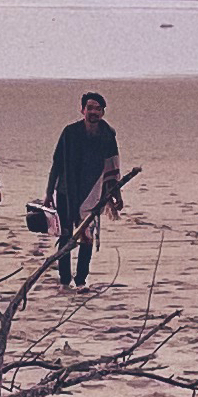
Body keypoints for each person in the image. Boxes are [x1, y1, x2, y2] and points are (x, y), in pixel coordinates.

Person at [44, 90, 121, 288]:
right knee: (66, 236)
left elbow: (112, 167)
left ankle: (81, 280)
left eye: (98, 109)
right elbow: (57, 163)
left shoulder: (107, 135)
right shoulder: (70, 133)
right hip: (66, 192)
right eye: (90, 108)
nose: (93, 112)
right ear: (82, 110)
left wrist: (116, 195)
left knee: (86, 237)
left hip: (93, 194)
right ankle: (64, 280)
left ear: (103, 112)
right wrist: (48, 192)